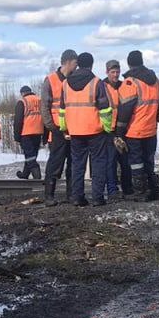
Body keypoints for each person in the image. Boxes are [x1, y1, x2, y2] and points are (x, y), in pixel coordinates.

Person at [61, 52, 112, 207]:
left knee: (77, 165)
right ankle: (97, 197)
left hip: (75, 131)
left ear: (78, 64)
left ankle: (77, 197)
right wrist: (108, 128)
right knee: (98, 164)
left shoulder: (65, 83)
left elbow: (62, 109)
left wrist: (65, 128)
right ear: (91, 64)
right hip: (95, 131)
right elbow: (105, 109)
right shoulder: (96, 82)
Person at [115, 50, 159, 201]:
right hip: (151, 129)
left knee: (136, 163)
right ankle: (155, 190)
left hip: (134, 130)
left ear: (129, 64)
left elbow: (125, 109)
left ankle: (140, 192)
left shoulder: (130, 82)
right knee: (149, 161)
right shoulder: (155, 81)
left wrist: (119, 132)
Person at [40, 49, 78, 206]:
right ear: (68, 62)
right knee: (55, 164)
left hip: (74, 129)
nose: (77, 67)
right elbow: (45, 107)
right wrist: (52, 127)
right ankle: (49, 195)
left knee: (73, 164)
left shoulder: (75, 80)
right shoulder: (50, 80)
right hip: (57, 130)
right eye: (75, 63)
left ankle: (71, 194)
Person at [103, 59, 134, 198]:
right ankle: (112, 189)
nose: (115, 75)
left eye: (117, 72)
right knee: (111, 161)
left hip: (123, 128)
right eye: (112, 72)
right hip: (109, 130)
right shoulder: (102, 86)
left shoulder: (124, 86)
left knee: (125, 161)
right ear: (107, 72)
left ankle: (127, 188)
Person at [13, 85, 44, 180]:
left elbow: (18, 121)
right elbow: (45, 116)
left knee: (30, 156)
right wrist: (46, 134)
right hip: (38, 132)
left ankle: (37, 176)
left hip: (26, 133)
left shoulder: (22, 102)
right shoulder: (40, 101)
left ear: (22, 93)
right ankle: (25, 174)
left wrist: (17, 136)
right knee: (31, 154)